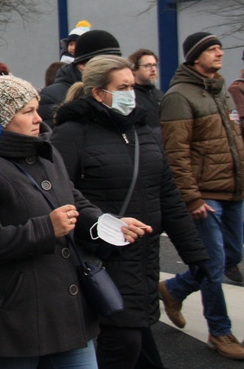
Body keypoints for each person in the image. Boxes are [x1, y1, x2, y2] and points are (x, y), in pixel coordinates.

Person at [51, 55, 209, 368]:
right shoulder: (72, 135)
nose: (130, 94)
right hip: (104, 258)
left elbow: (169, 197)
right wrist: (101, 225)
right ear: (98, 93)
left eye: (132, 87)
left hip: (144, 258)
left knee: (136, 341)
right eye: (122, 87)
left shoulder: (144, 134)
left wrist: (196, 255)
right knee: (123, 341)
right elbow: (58, 193)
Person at [0, 75, 124, 368]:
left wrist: (109, 225)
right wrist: (45, 228)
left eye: (37, 108)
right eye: (27, 111)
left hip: (67, 316)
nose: (39, 118)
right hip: (13, 321)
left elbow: (74, 201)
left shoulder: (46, 151)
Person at [158, 33, 244, 360]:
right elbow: (176, 153)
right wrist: (192, 199)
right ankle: (219, 332)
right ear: (196, 57)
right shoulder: (179, 96)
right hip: (206, 195)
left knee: (232, 254)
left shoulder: (218, 89)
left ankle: (175, 288)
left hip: (233, 190)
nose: (219, 52)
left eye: (220, 47)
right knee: (213, 262)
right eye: (212, 48)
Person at [39, 30, 121, 128]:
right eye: (106, 64)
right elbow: (52, 138)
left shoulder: (122, 92)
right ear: (83, 65)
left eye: (117, 63)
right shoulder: (51, 97)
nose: (116, 69)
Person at [127, 49, 163, 141]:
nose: (153, 69)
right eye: (147, 66)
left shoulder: (161, 95)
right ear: (134, 70)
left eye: (155, 65)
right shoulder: (130, 97)